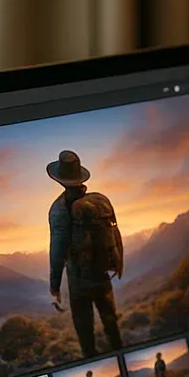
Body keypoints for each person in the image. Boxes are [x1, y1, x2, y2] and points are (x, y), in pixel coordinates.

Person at [47, 150, 125, 357]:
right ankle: (122, 359)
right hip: (102, 274)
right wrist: (119, 261)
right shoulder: (101, 201)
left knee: (85, 330)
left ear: (60, 180)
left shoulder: (59, 210)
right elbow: (115, 231)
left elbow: (57, 251)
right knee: (111, 323)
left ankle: (93, 363)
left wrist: (54, 285)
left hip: (79, 280)